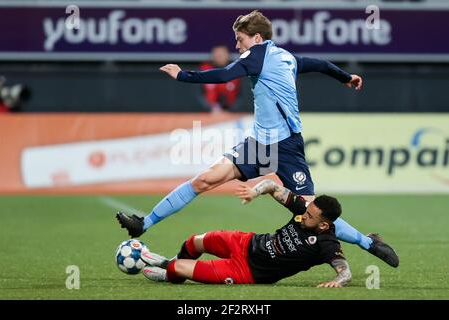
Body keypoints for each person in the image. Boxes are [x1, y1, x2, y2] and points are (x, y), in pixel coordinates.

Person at [117, 10, 398, 268]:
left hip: (287, 147)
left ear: (257, 38)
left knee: (311, 212)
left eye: (240, 40)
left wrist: (182, 75)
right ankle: (143, 224)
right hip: (259, 145)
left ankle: (369, 242)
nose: (237, 46)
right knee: (205, 179)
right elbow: (320, 65)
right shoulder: (286, 57)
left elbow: (224, 74)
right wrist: (345, 77)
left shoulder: (256, 56)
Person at [140, 187, 352, 286]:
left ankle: (168, 270)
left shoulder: (327, 243)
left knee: (178, 269)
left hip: (247, 272)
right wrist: (256, 191)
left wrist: (338, 281)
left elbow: (345, 271)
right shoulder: (303, 210)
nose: (303, 215)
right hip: (246, 241)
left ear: (324, 224)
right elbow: (273, 186)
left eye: (310, 216)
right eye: (306, 211)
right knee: (194, 241)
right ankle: (169, 265)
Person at [198, 44, 241, 112]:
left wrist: (230, 111)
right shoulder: (204, 70)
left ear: (227, 55)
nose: (219, 57)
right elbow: (198, 94)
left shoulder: (236, 70)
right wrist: (210, 109)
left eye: (222, 54)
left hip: (231, 114)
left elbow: (242, 96)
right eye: (217, 54)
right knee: (196, 122)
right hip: (207, 114)